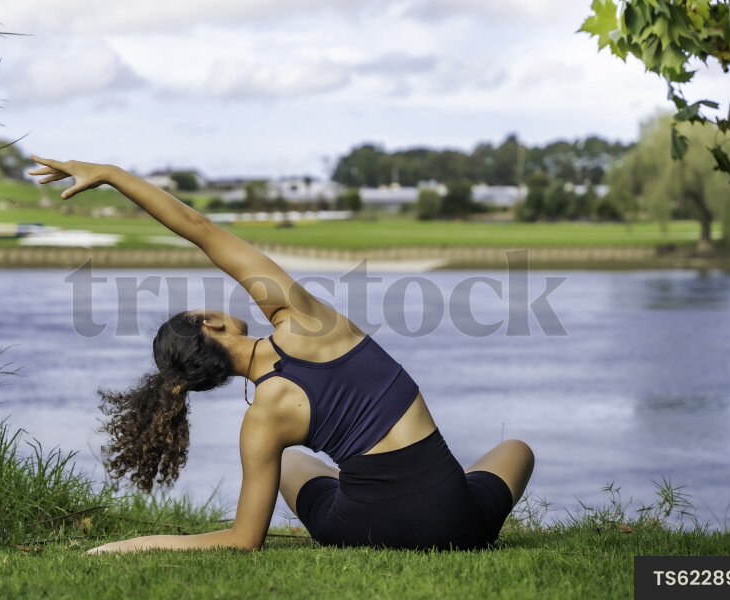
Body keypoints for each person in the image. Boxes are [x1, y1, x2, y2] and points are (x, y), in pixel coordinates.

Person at [27, 156, 535, 554]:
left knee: (291, 463)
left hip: (360, 529)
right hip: (454, 522)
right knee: (516, 449)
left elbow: (242, 540)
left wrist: (133, 544)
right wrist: (113, 175)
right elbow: (201, 230)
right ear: (212, 324)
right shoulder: (305, 322)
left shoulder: (261, 421)